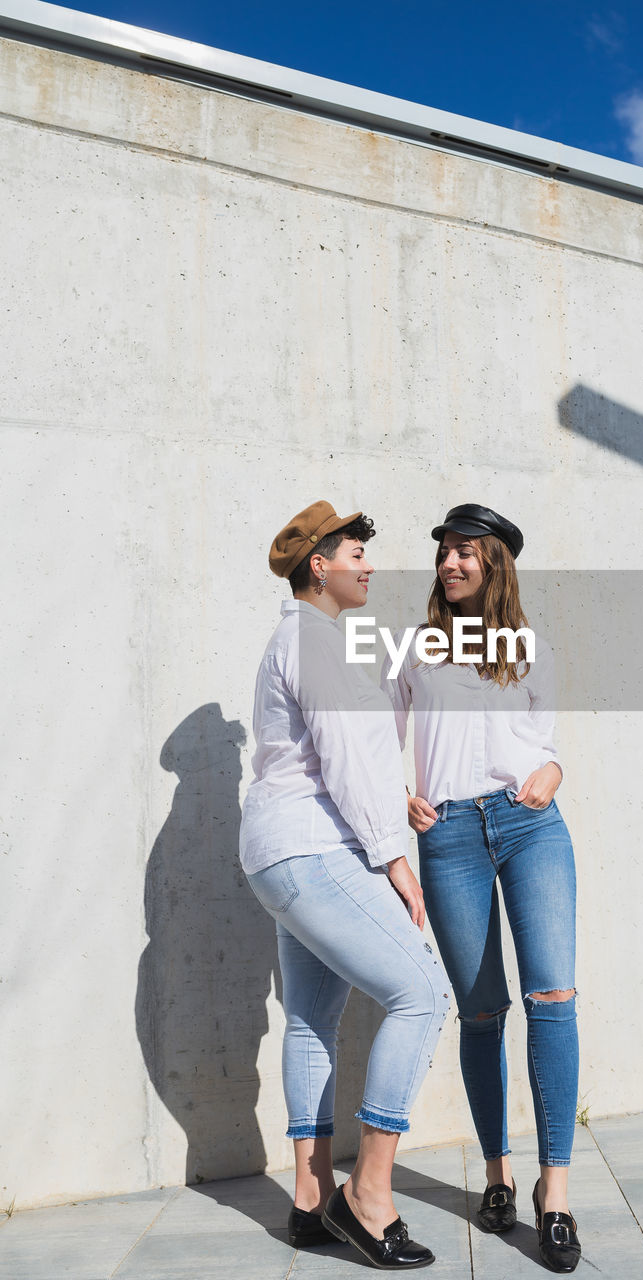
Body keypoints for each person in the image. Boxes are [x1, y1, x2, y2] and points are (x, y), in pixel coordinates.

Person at [240, 500, 450, 1271]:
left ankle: (307, 1202)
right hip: (312, 851)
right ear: (316, 565)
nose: (367, 563)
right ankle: (367, 1192)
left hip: (280, 852)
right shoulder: (314, 640)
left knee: (308, 1023)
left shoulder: (304, 641)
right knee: (422, 995)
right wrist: (393, 855)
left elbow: (331, 753)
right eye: (354, 551)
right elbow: (344, 759)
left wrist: (390, 798)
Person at [380, 503, 581, 1274]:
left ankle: (553, 1193)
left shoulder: (529, 647)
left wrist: (553, 771)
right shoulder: (416, 649)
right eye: (445, 553)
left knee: (552, 999)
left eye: (466, 552)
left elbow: (547, 745)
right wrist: (399, 797)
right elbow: (375, 737)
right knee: (481, 1012)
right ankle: (497, 1175)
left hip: (531, 827)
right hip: (451, 837)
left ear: (495, 562)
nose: (450, 564)